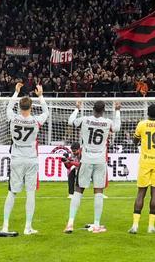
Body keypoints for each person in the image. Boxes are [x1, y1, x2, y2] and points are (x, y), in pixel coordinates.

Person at [0, 82, 48, 237]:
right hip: (31, 158)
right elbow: (46, 112)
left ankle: (5, 226)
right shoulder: (36, 121)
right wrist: (41, 96)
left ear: (20, 107)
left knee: (12, 192)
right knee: (30, 193)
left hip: (17, 157)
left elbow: (8, 109)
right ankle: (28, 227)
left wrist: (15, 92)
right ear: (31, 107)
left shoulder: (13, 118)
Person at [66, 98, 121, 233]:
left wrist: (77, 108)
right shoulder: (107, 122)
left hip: (86, 159)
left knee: (78, 190)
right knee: (98, 191)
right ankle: (96, 224)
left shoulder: (84, 119)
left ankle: (70, 223)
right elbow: (117, 128)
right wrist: (117, 111)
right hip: (100, 160)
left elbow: (70, 121)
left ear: (92, 109)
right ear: (103, 111)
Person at [129, 103, 155, 235]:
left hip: (145, 162)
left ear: (148, 114)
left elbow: (134, 142)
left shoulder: (141, 124)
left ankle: (135, 225)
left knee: (140, 193)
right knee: (154, 194)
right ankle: (150, 226)